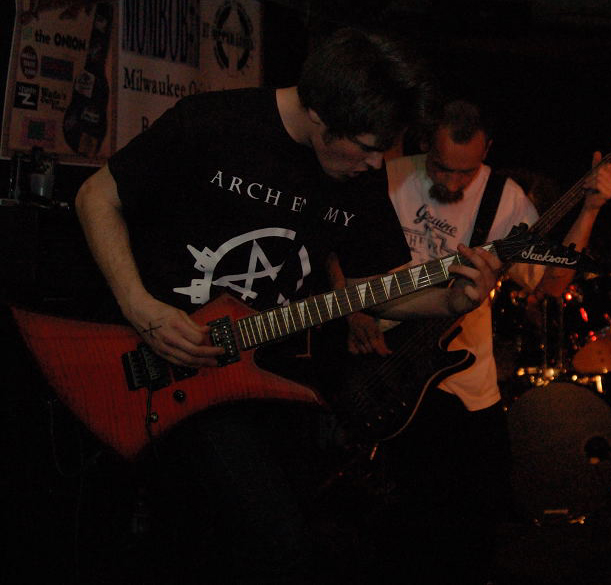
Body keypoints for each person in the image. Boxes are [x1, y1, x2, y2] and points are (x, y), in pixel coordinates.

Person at [74, 30, 502, 585]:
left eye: (385, 149)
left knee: (232, 542)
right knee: (275, 544)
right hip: (159, 365)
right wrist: (140, 307)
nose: (376, 163)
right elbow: (96, 197)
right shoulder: (214, 123)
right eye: (366, 146)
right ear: (320, 114)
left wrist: (450, 299)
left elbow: (371, 286)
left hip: (258, 381)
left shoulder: (359, 175)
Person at [340, 99, 611, 584]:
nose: (451, 184)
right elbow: (331, 248)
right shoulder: (387, 175)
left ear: (487, 150)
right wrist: (352, 309)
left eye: (464, 173)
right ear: (426, 143)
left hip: (466, 377)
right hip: (383, 368)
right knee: (398, 522)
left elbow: (551, 285)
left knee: (476, 517)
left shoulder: (506, 200)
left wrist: (590, 210)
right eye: (441, 168)